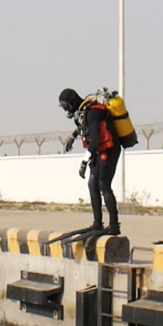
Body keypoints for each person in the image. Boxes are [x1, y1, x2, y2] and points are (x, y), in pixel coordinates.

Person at [59, 88, 121, 235]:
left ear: (72, 102)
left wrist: (83, 162)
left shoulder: (93, 113)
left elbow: (95, 140)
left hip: (109, 149)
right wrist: (73, 137)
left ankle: (114, 225)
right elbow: (82, 127)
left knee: (103, 185)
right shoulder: (83, 112)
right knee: (92, 184)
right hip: (99, 151)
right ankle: (97, 223)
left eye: (66, 106)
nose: (66, 110)